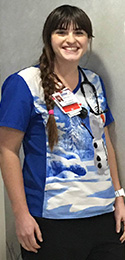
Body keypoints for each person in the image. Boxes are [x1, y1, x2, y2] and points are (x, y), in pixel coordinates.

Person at [0, 4, 125, 260]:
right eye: (61, 32)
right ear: (49, 38)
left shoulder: (94, 81)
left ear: (88, 40)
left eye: (79, 32)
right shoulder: (24, 83)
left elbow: (105, 142)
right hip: (51, 220)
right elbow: (7, 150)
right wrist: (21, 215)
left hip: (103, 216)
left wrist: (119, 196)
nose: (71, 40)